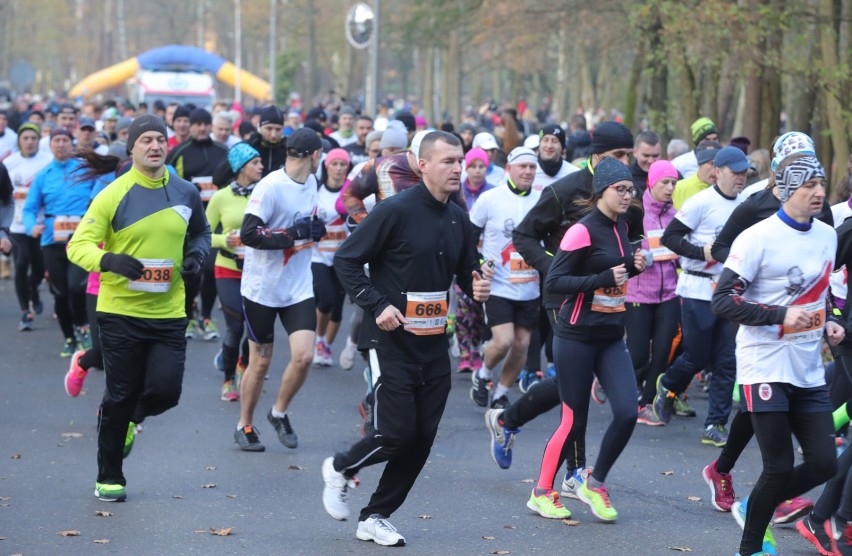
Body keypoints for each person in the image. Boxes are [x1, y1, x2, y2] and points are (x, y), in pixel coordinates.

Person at [321, 131, 491, 547]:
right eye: (448, 161)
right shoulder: (393, 211)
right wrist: (377, 305)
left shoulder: (459, 219)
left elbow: (468, 269)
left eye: (460, 161)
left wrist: (476, 284)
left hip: (433, 344)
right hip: (388, 340)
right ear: (422, 165)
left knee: (421, 439)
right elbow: (346, 260)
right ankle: (341, 467)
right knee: (396, 433)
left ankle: (376, 515)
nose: (457, 168)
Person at [66, 114, 211, 502]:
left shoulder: (185, 192)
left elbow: (200, 232)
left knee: (166, 392)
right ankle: (109, 475)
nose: (155, 146)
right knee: (119, 393)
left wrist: (196, 257)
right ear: (131, 148)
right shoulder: (113, 194)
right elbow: (77, 246)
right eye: (146, 140)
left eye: (160, 140)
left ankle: (133, 419)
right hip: (120, 312)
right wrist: (109, 260)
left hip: (168, 312)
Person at [711, 154, 839, 556]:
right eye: (808, 186)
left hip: (807, 367)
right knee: (779, 467)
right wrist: (783, 314)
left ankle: (755, 504)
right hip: (763, 363)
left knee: (824, 464)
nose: (819, 192)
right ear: (785, 191)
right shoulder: (756, 238)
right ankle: (748, 549)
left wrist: (831, 319)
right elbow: (723, 300)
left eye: (821, 184)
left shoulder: (827, 235)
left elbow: (823, 289)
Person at [508, 121, 641, 497]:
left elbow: (634, 235)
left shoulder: (627, 196)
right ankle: (575, 472)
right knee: (574, 393)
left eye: (628, 156)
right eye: (618, 156)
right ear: (596, 156)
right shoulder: (563, 189)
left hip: (608, 304)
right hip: (565, 297)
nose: (625, 163)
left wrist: (635, 256)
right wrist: (558, 267)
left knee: (570, 383)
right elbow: (523, 234)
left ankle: (508, 419)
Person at [234, 128, 325, 452]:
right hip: (262, 289)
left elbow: (308, 225)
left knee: (304, 357)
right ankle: (244, 424)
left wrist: (316, 229)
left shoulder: (312, 182)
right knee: (261, 362)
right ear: (314, 155)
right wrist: (290, 234)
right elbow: (249, 234)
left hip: (298, 287)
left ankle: (278, 412)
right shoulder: (271, 186)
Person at [653, 146, 749, 446]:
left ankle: (715, 424)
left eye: (745, 172)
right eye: (735, 172)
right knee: (697, 356)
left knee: (725, 359)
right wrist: (700, 252)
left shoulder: (746, 205)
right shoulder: (700, 203)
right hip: (696, 287)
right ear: (717, 172)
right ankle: (667, 385)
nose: (741, 178)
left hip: (729, 290)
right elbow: (669, 237)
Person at [469, 147, 541, 409]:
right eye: (522, 166)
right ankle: (483, 374)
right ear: (509, 168)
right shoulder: (490, 198)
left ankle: (500, 393)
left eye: (532, 167)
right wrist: (478, 263)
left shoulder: (543, 200)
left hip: (530, 287)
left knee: (521, 345)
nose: (527, 171)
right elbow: (469, 236)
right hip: (498, 284)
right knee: (504, 340)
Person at [23, 126, 94, 356]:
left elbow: (99, 197)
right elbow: (30, 208)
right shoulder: (43, 175)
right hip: (52, 241)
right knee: (60, 292)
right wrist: (31, 225)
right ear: (51, 145)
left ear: (71, 144)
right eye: (56, 141)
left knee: (77, 287)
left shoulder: (84, 169)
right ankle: (69, 337)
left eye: (65, 140)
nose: (61, 144)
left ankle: (83, 327)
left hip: (81, 240)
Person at [206, 142, 263, 401]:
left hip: (258, 270)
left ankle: (243, 363)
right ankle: (228, 379)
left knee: (255, 327)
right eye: (255, 162)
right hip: (227, 268)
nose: (261, 166)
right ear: (241, 168)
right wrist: (222, 241)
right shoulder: (221, 197)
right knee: (235, 326)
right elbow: (202, 233)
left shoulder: (264, 193)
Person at [167, 107, 229, 340]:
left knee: (211, 269)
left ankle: (206, 317)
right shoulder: (178, 151)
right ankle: (188, 314)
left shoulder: (222, 150)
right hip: (188, 220)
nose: (202, 128)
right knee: (190, 270)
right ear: (190, 127)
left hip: (217, 220)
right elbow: (168, 179)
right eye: (197, 124)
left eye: (206, 124)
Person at [627, 160, 681, 426]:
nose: (670, 188)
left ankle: (645, 404)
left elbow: (681, 252)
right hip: (638, 294)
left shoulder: (676, 216)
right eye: (665, 182)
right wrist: (635, 256)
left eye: (673, 183)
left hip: (669, 293)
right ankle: (617, 384)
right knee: (637, 354)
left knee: (662, 352)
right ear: (651, 182)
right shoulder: (636, 213)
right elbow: (621, 247)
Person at [4, 122, 52, 330]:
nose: (30, 142)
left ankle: (34, 290)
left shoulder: (47, 161)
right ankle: (25, 312)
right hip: (16, 224)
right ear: (19, 141)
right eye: (26, 138)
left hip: (41, 224)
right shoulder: (9, 163)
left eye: (34, 138)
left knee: (40, 268)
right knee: (21, 264)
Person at [455, 147, 495, 372]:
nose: (477, 171)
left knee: (478, 307)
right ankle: (464, 352)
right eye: (473, 166)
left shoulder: (492, 193)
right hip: (461, 255)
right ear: (466, 168)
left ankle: (476, 349)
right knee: (462, 306)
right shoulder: (457, 192)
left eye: (482, 166)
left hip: (484, 258)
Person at [311, 148, 350, 366]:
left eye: (342, 164)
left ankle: (326, 346)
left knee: (337, 306)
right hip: (318, 255)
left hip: (343, 258)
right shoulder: (316, 191)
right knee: (325, 299)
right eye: (334, 164)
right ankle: (318, 339)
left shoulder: (352, 192)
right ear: (327, 166)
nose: (338, 168)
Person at [671, 140, 721, 209]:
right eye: (712, 164)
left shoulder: (726, 191)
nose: (716, 170)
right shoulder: (677, 188)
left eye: (720, 165)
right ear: (700, 162)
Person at [630, 131, 663, 198]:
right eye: (646, 155)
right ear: (635, 152)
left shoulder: (671, 176)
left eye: (655, 156)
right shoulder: (626, 177)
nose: (650, 161)